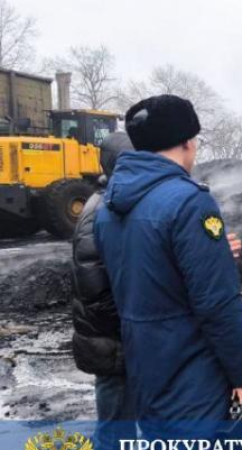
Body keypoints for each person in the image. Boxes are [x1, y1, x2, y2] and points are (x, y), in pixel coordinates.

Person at [94, 94, 242, 438]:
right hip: (190, 369)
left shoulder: (109, 208)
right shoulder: (189, 202)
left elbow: (143, 272)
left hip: (144, 366)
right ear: (186, 142)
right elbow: (216, 303)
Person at [71, 131, 137, 450]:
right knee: (114, 430)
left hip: (112, 339)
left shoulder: (109, 203)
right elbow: (96, 290)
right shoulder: (101, 213)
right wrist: (132, 326)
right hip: (111, 342)